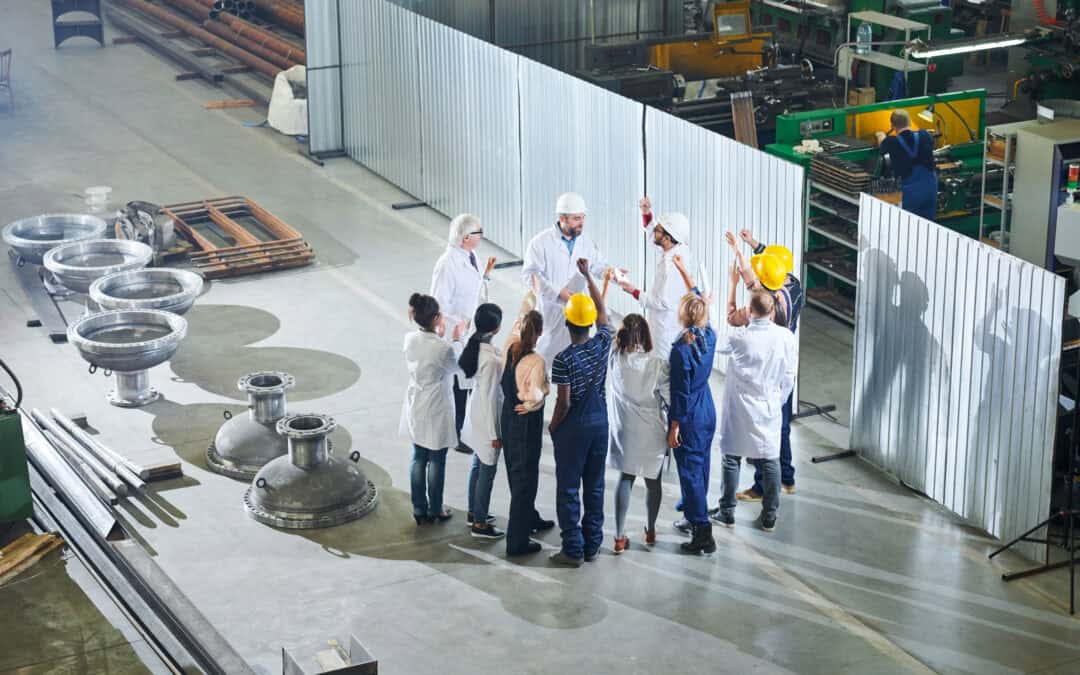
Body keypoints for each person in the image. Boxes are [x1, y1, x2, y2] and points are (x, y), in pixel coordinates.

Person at [712, 269, 798, 532]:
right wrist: (777, 400)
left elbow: (713, 341)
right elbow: (789, 376)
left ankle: (727, 511)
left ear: (750, 311)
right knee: (770, 460)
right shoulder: (786, 337)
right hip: (769, 407)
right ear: (772, 312)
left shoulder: (740, 338)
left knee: (731, 458)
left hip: (739, 409)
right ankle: (770, 515)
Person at [727, 230, 804, 500]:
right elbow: (770, 269)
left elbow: (745, 299)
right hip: (784, 368)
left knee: (765, 429)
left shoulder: (768, 310)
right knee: (780, 424)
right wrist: (753, 246)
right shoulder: (794, 285)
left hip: (766, 374)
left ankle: (761, 485)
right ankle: (788, 478)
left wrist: (737, 266)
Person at [548, 259, 613, 567]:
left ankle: (572, 548)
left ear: (567, 323)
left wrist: (553, 426)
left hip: (574, 429)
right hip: (601, 424)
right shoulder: (603, 343)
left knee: (569, 488)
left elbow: (564, 401)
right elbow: (604, 314)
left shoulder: (563, 359)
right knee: (595, 486)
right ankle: (593, 545)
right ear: (588, 324)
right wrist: (589, 276)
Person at [430, 213, 498, 454]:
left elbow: (474, 287)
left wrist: (486, 274)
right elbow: (438, 304)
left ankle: (464, 426)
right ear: (467, 237)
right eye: (479, 233)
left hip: (471, 331)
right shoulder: (447, 265)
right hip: (456, 334)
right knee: (458, 386)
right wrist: (458, 325)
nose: (481, 237)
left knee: (468, 383)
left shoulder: (471, 256)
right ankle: (455, 433)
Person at [522, 192, 611, 369]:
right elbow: (530, 275)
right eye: (577, 218)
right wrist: (558, 292)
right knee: (542, 367)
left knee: (574, 369)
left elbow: (598, 266)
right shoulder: (540, 243)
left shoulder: (586, 242)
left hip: (578, 317)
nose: (581, 222)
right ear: (562, 218)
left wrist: (612, 272)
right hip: (551, 313)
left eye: (583, 217)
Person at [400, 293, 467, 525]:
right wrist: (457, 339)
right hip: (437, 405)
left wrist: (439, 336)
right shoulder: (444, 348)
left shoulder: (409, 339)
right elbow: (458, 367)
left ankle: (419, 509)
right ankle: (436, 508)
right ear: (437, 317)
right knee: (437, 458)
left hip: (416, 402)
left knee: (418, 456)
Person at [500, 283, 556, 557]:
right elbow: (535, 396)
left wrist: (531, 294)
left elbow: (522, 313)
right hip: (526, 424)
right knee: (526, 481)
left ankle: (529, 517)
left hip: (508, 420)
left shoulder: (510, 346)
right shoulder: (536, 361)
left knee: (515, 474)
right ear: (540, 334)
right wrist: (544, 394)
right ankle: (517, 541)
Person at [608, 313, 670, 553]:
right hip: (652, 431)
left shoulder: (615, 359)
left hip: (625, 432)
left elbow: (606, 328)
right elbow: (670, 398)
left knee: (626, 479)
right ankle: (650, 530)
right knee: (654, 483)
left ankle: (619, 536)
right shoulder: (657, 365)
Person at [667, 270, 718, 555]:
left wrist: (675, 426)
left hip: (691, 415)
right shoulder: (709, 335)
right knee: (702, 466)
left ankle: (702, 531)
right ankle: (694, 515)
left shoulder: (680, 350)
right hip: (708, 407)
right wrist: (687, 275)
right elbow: (703, 303)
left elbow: (680, 392)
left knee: (689, 471)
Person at [617, 197, 694, 360]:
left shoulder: (673, 266)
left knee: (661, 367)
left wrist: (634, 291)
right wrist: (646, 213)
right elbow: (654, 238)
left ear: (667, 238)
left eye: (658, 230)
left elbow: (662, 302)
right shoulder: (675, 247)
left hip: (665, 327)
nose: (654, 233)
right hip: (662, 323)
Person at [459, 302, 506, 540]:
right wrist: (495, 434)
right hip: (486, 419)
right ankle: (480, 523)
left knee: (477, 465)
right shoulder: (492, 361)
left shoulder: (474, 345)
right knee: (486, 471)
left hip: (473, 413)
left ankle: (473, 512)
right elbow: (491, 400)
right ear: (497, 328)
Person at [875, 109, 938, 221]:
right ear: (909, 122)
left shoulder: (892, 142)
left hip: (910, 193)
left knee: (906, 225)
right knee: (928, 226)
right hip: (930, 189)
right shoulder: (924, 135)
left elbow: (882, 144)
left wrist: (880, 134)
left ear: (892, 126)